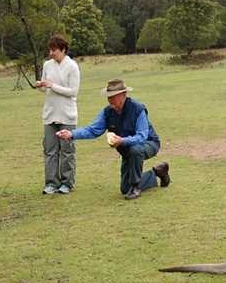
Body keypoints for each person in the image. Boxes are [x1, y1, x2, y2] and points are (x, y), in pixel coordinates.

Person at [56, 79, 170, 200]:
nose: (110, 100)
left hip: (149, 143)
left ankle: (136, 187)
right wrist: (71, 134)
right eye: (108, 97)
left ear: (124, 95)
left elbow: (142, 136)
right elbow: (93, 130)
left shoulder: (138, 109)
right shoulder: (108, 112)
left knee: (135, 150)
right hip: (127, 149)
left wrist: (122, 141)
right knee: (125, 188)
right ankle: (158, 172)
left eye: (113, 96)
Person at [35, 35, 80, 195]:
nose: (51, 53)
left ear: (63, 50)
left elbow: (73, 91)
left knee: (67, 150)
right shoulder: (47, 65)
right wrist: (41, 85)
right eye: (50, 49)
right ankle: (51, 183)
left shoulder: (72, 66)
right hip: (50, 114)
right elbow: (45, 88)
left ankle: (67, 182)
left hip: (67, 115)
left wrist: (52, 85)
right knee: (50, 150)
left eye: (54, 50)